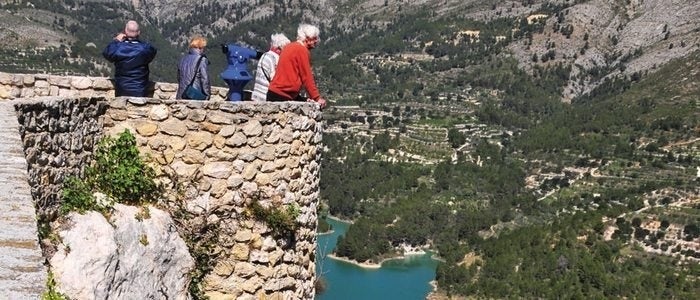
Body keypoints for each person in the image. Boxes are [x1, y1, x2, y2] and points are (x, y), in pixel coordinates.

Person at [267, 24, 327, 109]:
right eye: (315, 38)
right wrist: (316, 97)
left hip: (275, 93)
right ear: (307, 39)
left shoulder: (289, 46)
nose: (317, 41)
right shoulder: (301, 50)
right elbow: (307, 76)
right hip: (283, 95)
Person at [102, 20, 157, 97]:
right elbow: (153, 51)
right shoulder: (145, 49)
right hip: (140, 90)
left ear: (125, 32)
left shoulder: (118, 48)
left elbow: (106, 53)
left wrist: (116, 41)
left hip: (122, 90)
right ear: (139, 32)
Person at [251, 33, 291, 102]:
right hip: (265, 98)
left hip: (257, 95)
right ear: (280, 47)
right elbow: (274, 78)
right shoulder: (274, 58)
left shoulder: (266, 56)